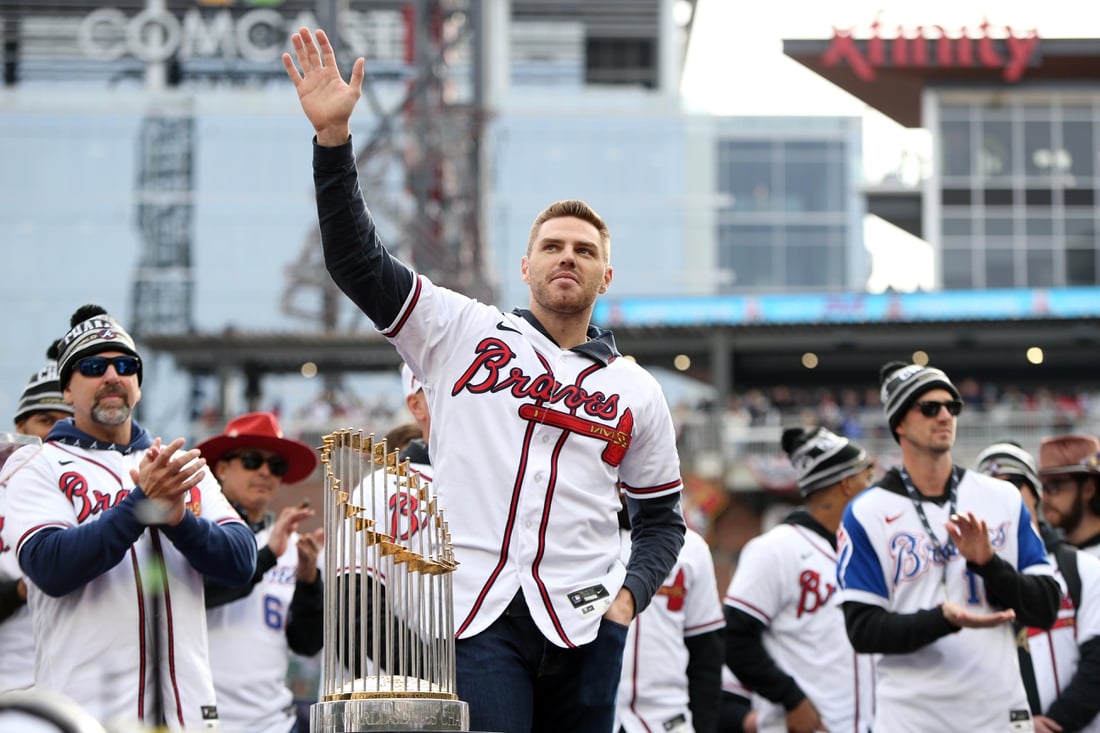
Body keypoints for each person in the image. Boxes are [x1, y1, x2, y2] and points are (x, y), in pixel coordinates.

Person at [284, 28, 686, 733]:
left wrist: (627, 601)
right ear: (525, 268)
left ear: (605, 275)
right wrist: (334, 142)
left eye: (585, 250)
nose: (569, 257)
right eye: (553, 247)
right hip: (476, 616)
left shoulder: (636, 389)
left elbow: (661, 520)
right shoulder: (461, 330)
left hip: (588, 622)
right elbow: (356, 262)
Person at [3, 304, 257, 730]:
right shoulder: (37, 467)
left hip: (189, 714)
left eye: (124, 365)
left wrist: (181, 521)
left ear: (137, 383)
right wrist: (140, 505)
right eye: (92, 366)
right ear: (67, 390)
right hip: (85, 713)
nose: (111, 376)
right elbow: (50, 567)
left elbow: (241, 561)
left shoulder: (178, 465)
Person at [837, 360, 1060, 732]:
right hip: (912, 719)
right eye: (929, 407)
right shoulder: (866, 512)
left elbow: (1046, 608)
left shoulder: (1002, 497)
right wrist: (942, 620)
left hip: (999, 714)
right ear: (900, 424)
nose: (944, 415)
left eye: (951, 406)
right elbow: (863, 630)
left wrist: (990, 564)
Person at [725, 426, 876, 733]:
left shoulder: (861, 554)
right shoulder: (775, 549)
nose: (871, 487)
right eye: (866, 477)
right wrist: (791, 700)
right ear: (847, 483)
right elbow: (733, 638)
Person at [197, 411, 324, 733]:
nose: (265, 472)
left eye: (276, 466)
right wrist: (267, 557)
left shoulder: (290, 544)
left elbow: (306, 644)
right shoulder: (195, 531)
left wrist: (309, 581)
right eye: (253, 460)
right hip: (203, 720)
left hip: (274, 723)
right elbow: (203, 595)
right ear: (221, 469)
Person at [977, 441, 1100, 733]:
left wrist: (1053, 724)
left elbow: (1098, 660)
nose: (1000, 499)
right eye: (987, 492)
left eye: (1013, 487)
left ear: (1036, 495)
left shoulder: (1083, 568)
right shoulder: (968, 582)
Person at [0, 343, 75, 692]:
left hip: (78, 692)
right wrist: (20, 588)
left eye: (68, 422)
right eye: (46, 421)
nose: (57, 432)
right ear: (21, 425)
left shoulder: (102, 493)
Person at [615, 502, 725, 733]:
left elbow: (706, 654)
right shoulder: (585, 545)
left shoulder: (691, 547)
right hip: (591, 714)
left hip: (667, 719)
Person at [1037, 434, 1100, 557]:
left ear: (1088, 488)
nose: (1044, 498)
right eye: (1042, 487)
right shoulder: (1045, 555)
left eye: (1054, 486)